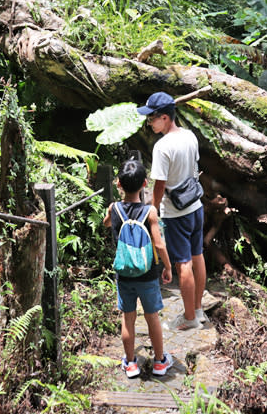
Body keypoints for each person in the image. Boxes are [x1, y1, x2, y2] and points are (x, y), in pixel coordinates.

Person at [137, 91, 207, 331]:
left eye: (152, 118)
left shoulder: (162, 147)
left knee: (183, 264)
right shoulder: (190, 136)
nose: (149, 123)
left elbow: (159, 184)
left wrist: (153, 210)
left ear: (165, 117)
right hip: (196, 206)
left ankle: (189, 319)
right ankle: (198, 310)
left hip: (176, 213)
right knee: (198, 256)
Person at [103, 158, 174, 378]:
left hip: (124, 275)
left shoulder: (114, 208)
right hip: (147, 274)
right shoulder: (150, 212)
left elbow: (106, 223)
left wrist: (111, 215)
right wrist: (168, 267)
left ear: (118, 184)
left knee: (128, 318)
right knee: (152, 317)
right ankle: (160, 362)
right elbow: (159, 244)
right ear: (145, 184)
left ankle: (131, 363)